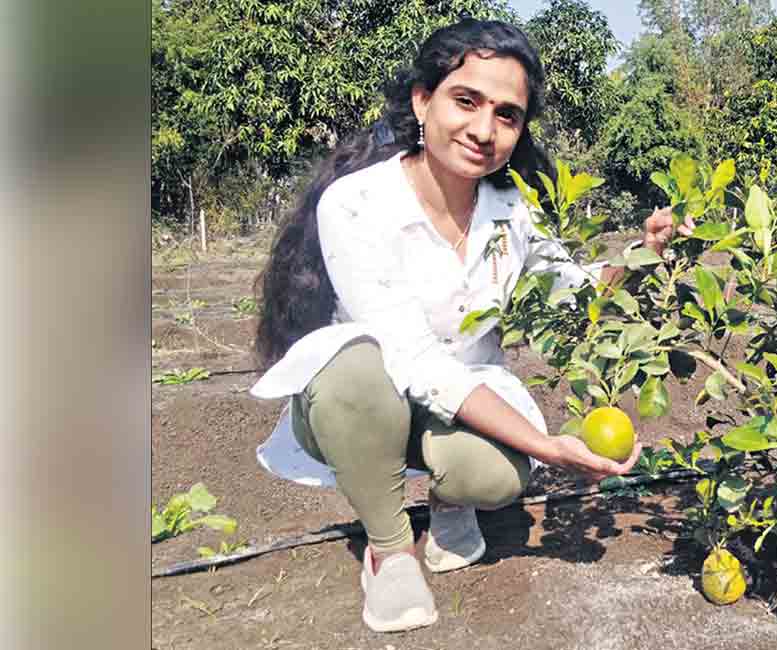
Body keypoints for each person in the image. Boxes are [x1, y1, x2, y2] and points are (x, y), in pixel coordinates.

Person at [249, 18, 692, 633]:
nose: (484, 130)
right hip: (365, 402)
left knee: (496, 477)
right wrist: (549, 448)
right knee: (354, 367)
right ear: (422, 99)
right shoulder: (357, 203)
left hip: (460, 398)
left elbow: (577, 294)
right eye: (466, 101)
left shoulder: (512, 211)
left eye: (507, 115)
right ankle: (390, 547)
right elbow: (413, 361)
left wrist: (645, 256)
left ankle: (451, 498)